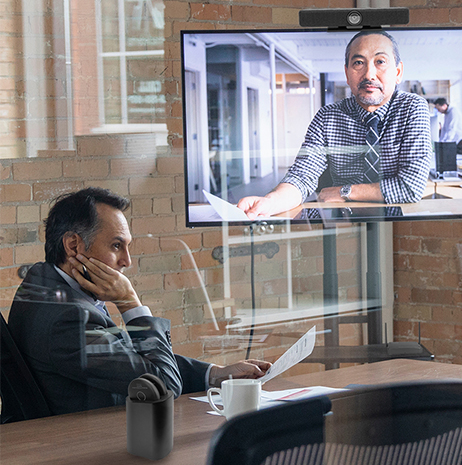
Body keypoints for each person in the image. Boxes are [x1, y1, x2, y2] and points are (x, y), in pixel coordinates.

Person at [7, 188, 271, 416]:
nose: (127, 261)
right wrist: (129, 302)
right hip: (96, 444)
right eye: (116, 246)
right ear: (74, 246)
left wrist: (215, 374)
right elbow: (164, 385)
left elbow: (128, 359)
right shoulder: (67, 318)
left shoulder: (44, 282)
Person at [237, 30, 432, 218]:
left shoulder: (412, 108)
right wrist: (270, 202)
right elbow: (302, 176)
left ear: (398, 72)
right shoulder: (327, 117)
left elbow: (410, 187)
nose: (369, 74)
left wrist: (345, 191)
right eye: (358, 63)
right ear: (347, 74)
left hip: (398, 222)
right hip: (342, 223)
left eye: (380, 62)